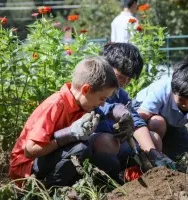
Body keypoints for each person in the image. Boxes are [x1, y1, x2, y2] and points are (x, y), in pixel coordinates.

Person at [9, 56, 120, 187]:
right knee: (80, 149)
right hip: (27, 169)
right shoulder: (55, 104)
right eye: (102, 99)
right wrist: (68, 134)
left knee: (111, 163)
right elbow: (30, 150)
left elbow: (106, 113)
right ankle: (46, 190)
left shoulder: (84, 103)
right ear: (85, 90)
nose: (102, 104)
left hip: (55, 159)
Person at [91, 43, 175, 178]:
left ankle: (149, 175)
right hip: (96, 144)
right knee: (109, 142)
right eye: (120, 76)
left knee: (154, 139)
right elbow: (99, 108)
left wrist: (152, 152)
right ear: (106, 67)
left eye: (128, 79)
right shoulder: (92, 89)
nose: (123, 82)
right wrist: (117, 112)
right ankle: (110, 178)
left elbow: (136, 121)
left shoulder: (121, 95)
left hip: (119, 143)